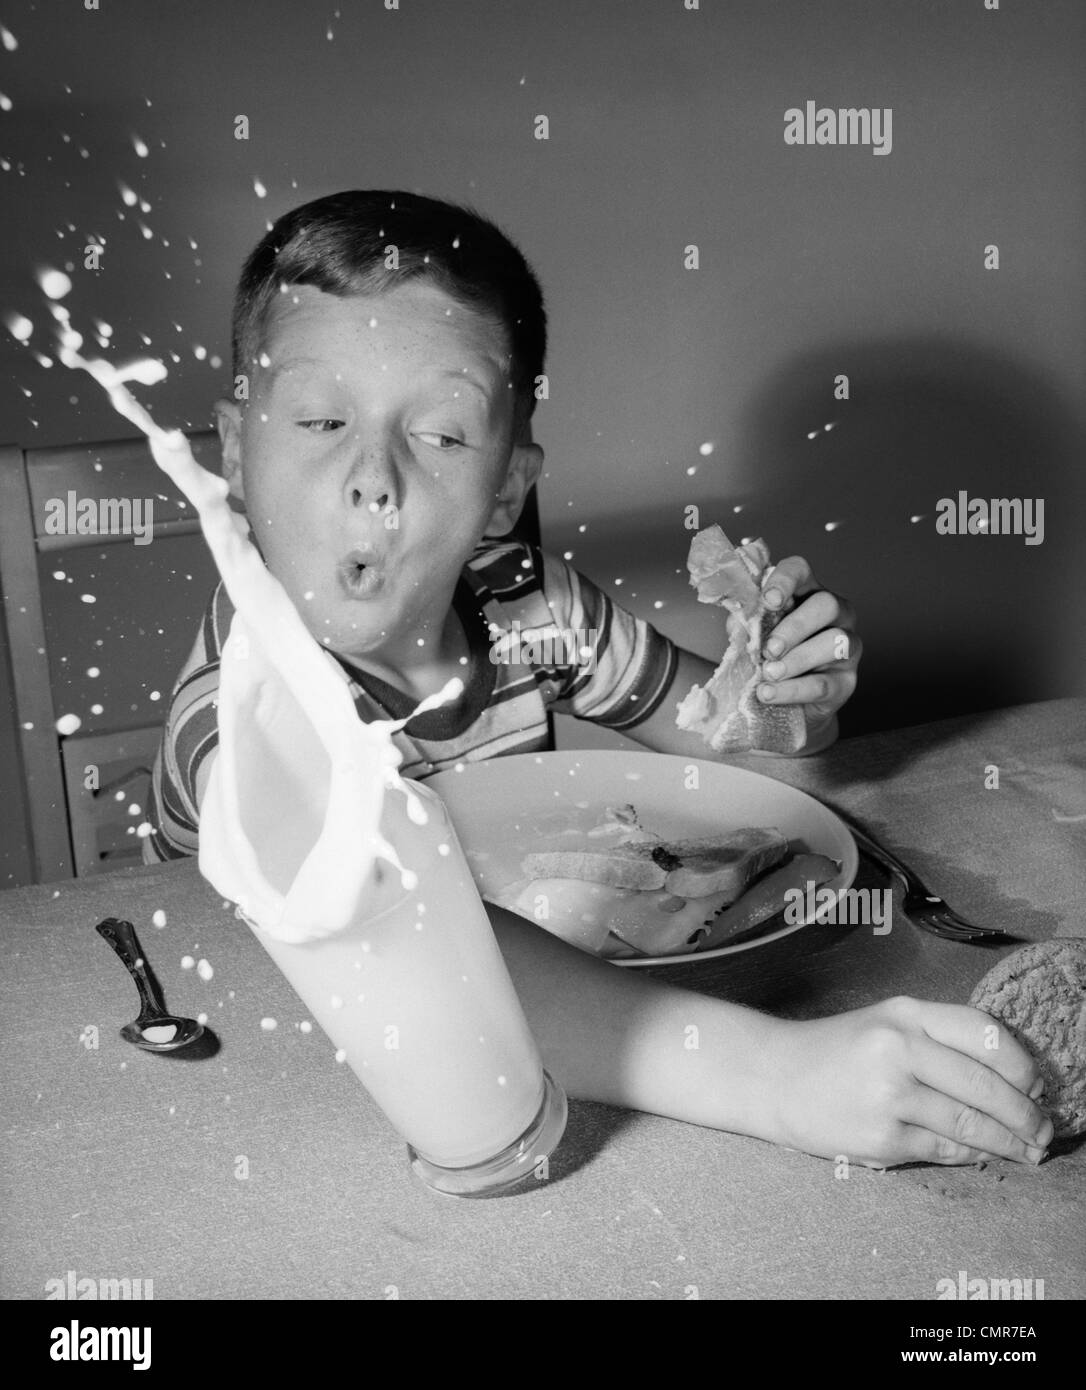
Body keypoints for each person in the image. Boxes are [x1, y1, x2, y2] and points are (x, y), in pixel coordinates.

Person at [144, 190, 1050, 1170]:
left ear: (505, 487)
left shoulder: (531, 607)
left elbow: (721, 744)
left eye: (442, 433)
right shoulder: (242, 712)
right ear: (235, 448)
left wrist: (778, 705)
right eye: (321, 418)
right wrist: (777, 1076)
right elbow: (414, 962)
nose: (374, 477)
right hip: (274, 1085)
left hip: (573, 1016)